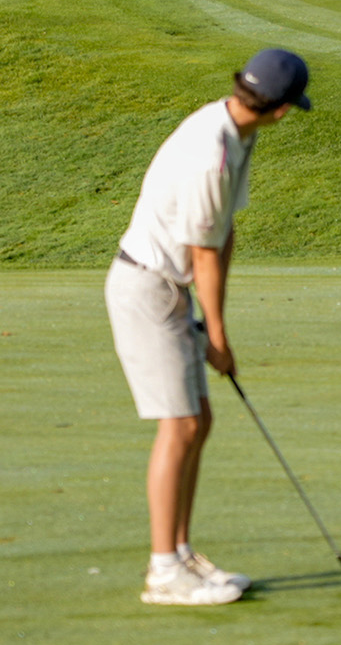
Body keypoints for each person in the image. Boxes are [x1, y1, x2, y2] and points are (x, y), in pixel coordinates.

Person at [104, 48, 310, 606]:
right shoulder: (210, 153)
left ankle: (181, 553)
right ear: (282, 108)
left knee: (199, 421)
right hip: (147, 289)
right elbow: (202, 253)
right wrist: (217, 335)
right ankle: (163, 572)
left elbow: (222, 232)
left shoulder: (235, 131)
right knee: (180, 426)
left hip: (168, 288)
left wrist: (215, 322)